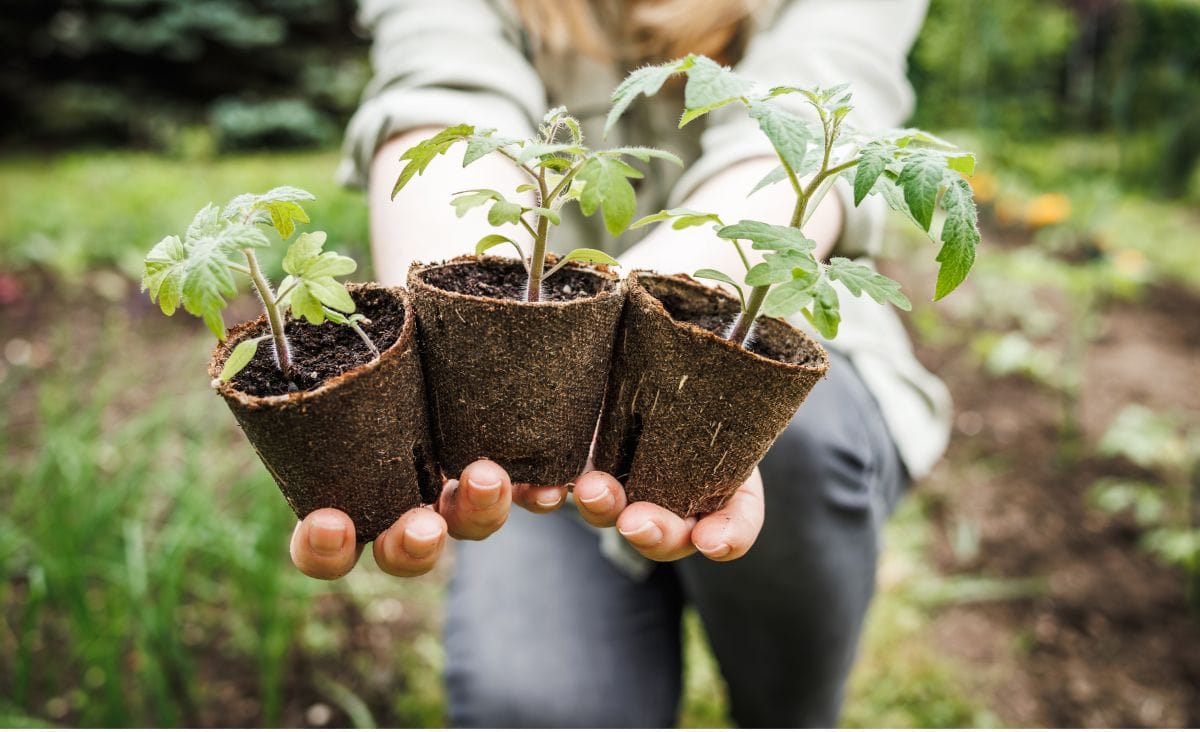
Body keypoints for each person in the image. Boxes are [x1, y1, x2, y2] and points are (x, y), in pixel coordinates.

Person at [290, 0, 949, 726]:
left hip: (734, 350)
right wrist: (472, 353)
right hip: (536, 417)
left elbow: (801, 128)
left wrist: (652, 344)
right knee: (534, 709)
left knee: (800, 439)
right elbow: (441, 97)